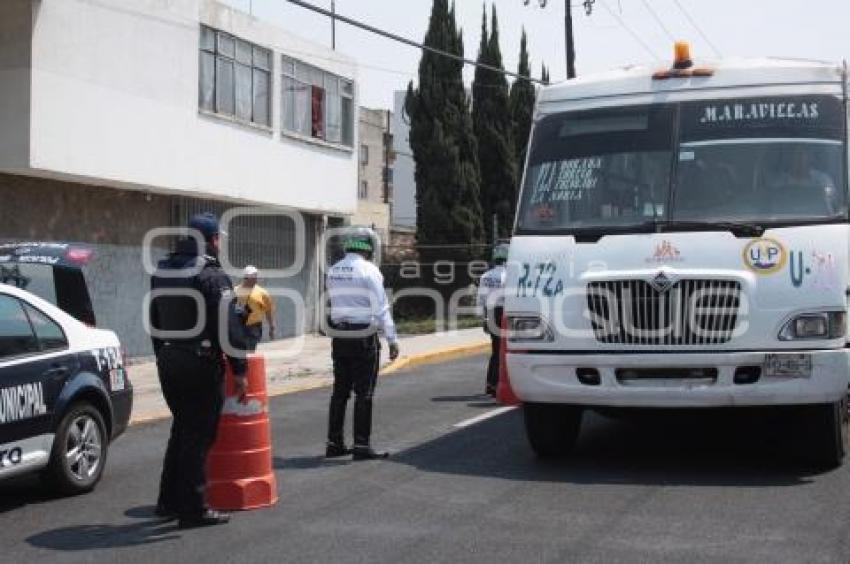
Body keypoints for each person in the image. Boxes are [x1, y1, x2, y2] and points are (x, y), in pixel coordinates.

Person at [148, 212, 248, 529]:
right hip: (199, 363)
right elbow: (228, 328)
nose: (220, 244)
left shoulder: (162, 269)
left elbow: (155, 320)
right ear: (211, 240)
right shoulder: (212, 275)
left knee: (181, 429)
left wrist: (162, 355)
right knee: (198, 436)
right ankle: (193, 509)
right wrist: (240, 370)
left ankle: (168, 502)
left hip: (169, 359)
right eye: (218, 239)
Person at [325, 232, 399, 460]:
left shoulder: (334, 270)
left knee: (340, 392)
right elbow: (381, 308)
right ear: (366, 250)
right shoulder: (369, 270)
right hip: (363, 336)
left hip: (339, 336)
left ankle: (334, 443)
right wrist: (392, 339)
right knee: (364, 393)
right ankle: (361, 445)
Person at [478, 242, 508, 396]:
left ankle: (490, 383)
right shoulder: (507, 276)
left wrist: (483, 318)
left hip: (489, 312)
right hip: (502, 313)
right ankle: (498, 384)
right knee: (503, 351)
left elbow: (481, 299)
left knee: (495, 350)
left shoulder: (485, 276)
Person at [235, 265, 276, 352]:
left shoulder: (262, 293)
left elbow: (269, 311)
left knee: (250, 351)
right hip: (238, 326)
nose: (255, 278)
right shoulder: (235, 291)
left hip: (254, 327)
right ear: (245, 277)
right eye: (252, 276)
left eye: (255, 276)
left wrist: (272, 327)